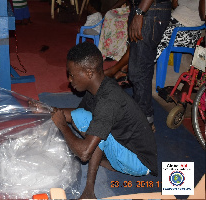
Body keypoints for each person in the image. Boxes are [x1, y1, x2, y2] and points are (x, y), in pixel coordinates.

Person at [51, 42, 158, 199]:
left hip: (139, 162)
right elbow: (75, 114)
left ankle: (89, 192)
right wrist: (47, 110)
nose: (69, 79)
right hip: (126, 148)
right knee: (85, 117)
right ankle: (107, 161)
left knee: (90, 129)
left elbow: (84, 153)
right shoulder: (96, 86)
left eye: (72, 74)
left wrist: (61, 125)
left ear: (89, 73)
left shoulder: (109, 100)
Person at [127, 0, 172, 133]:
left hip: (149, 10)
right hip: (147, 9)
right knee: (140, 65)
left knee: (139, 68)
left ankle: (144, 122)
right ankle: (143, 116)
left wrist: (140, 12)